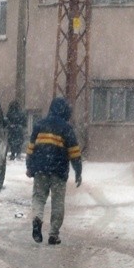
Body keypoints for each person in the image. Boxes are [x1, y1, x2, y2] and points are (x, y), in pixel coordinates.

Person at [26, 96, 83, 246]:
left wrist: (30, 167)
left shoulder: (39, 125)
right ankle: (53, 234)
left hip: (40, 169)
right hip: (58, 171)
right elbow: (74, 152)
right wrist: (78, 171)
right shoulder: (66, 128)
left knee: (39, 197)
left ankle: (37, 219)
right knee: (57, 203)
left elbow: (31, 148)